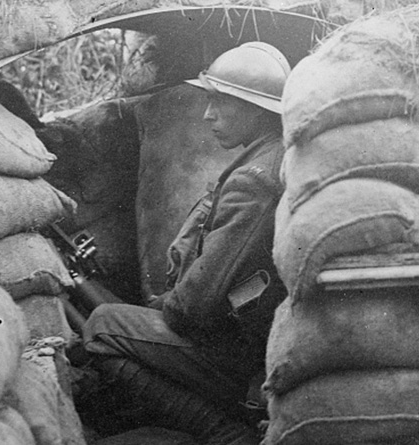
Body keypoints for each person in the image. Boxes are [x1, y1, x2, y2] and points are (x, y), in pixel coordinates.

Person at [79, 42, 291, 445]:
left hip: (237, 356)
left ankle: (224, 433)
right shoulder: (273, 157)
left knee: (102, 325)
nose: (208, 114)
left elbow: (197, 303)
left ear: (256, 108)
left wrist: (164, 307)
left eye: (220, 103)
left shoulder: (254, 181)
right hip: (249, 341)